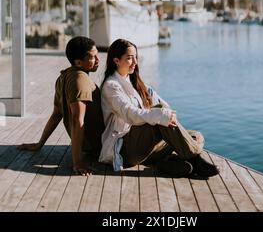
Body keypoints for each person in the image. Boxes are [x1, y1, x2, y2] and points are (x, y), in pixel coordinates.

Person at [99, 38, 219, 178]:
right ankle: (195, 159)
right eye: (130, 58)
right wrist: (160, 115)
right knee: (161, 115)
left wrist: (164, 116)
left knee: (195, 136)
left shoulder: (131, 81)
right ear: (116, 60)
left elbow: (163, 105)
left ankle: (166, 164)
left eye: (136, 57)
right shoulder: (111, 86)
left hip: (144, 149)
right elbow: (130, 114)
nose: (136, 62)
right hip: (126, 149)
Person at [18, 36, 103, 176]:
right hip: (99, 146)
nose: (98, 60)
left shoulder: (63, 77)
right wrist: (78, 162)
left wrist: (39, 144)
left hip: (90, 145)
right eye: (93, 57)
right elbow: (77, 120)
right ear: (78, 62)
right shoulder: (80, 81)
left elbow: (56, 115)